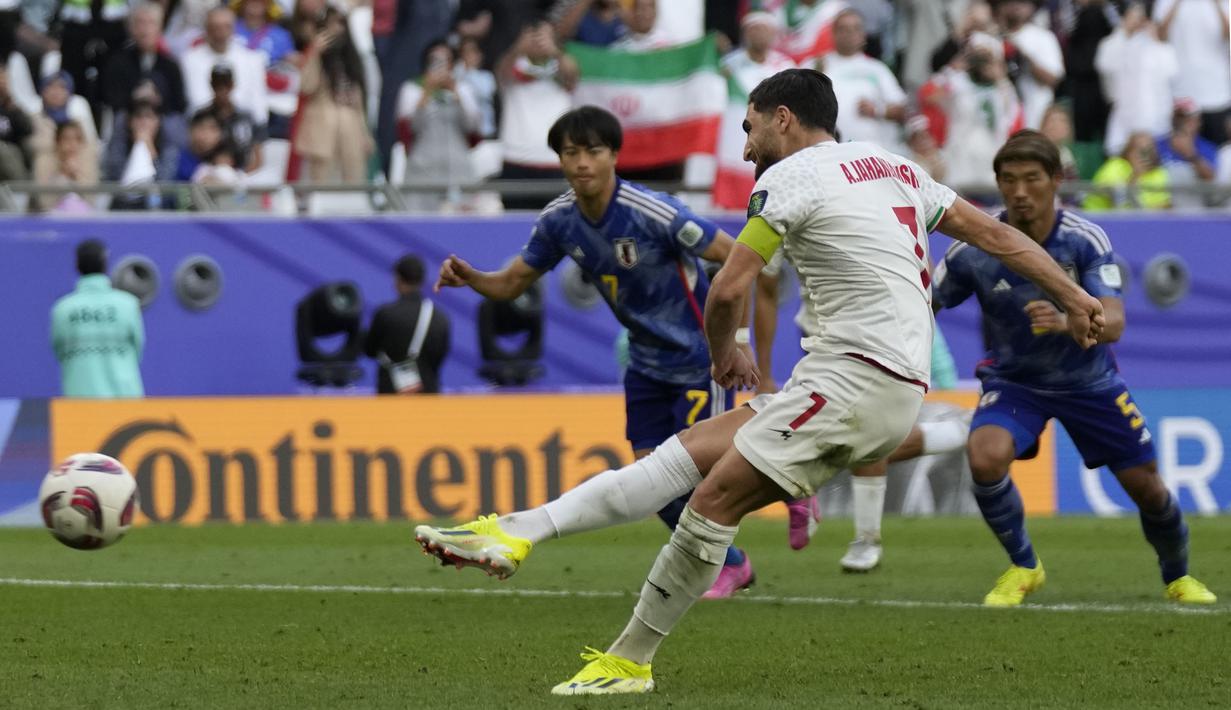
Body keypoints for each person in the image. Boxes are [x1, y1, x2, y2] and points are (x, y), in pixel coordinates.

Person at [415, 68, 1107, 694]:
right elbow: (1000, 237)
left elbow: (728, 288)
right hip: (863, 378)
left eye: (747, 128)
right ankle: (515, 532)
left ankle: (628, 661)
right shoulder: (895, 166)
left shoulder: (788, 180)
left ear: (782, 118)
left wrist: (726, 351)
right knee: (681, 458)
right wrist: (1075, 297)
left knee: (710, 502)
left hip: (856, 381)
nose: (744, 149)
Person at [431, 105, 757, 598]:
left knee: (706, 478)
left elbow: (735, 256)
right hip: (644, 363)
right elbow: (513, 282)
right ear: (559, 160)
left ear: (614, 157)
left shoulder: (655, 212)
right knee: (655, 485)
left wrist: (736, 341)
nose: (582, 162)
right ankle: (732, 564)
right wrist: (472, 277)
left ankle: (767, 520)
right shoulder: (561, 221)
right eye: (571, 152)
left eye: (593, 151)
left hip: (698, 360)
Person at [935, 128, 1215, 608]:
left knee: (1147, 489)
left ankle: (1178, 576)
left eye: (1031, 179)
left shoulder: (1083, 240)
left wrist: (1068, 322)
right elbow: (925, 302)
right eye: (1008, 180)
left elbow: (1116, 322)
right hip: (1015, 382)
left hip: (1089, 382)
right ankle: (1024, 566)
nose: (1020, 191)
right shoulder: (973, 249)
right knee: (984, 457)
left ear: (1056, 181)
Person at [754, 246, 971, 567]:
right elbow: (764, 284)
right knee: (848, 433)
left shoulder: (892, 198)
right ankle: (956, 433)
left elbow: (924, 265)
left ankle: (863, 536)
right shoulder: (787, 201)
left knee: (864, 430)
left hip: (878, 338)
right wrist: (763, 371)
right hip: (819, 334)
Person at [51, 239, 145, 398]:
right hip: (126, 401)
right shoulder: (128, 305)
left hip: (79, 401)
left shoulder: (62, 309)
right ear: (105, 265)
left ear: (77, 265)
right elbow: (137, 349)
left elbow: (59, 352)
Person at [396, 39, 480, 211]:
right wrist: (427, 92)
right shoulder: (412, 89)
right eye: (435, 60)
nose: (441, 66)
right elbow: (410, 129)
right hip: (422, 168)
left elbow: (472, 127)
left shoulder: (464, 89)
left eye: (446, 60)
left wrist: (455, 93)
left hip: (458, 167)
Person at [294, 6, 373, 183]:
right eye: (330, 25)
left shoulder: (352, 59)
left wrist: (365, 133)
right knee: (320, 183)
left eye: (340, 24)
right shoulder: (315, 56)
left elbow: (359, 100)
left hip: (351, 127)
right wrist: (314, 52)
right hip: (323, 128)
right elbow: (307, 87)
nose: (336, 30)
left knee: (354, 181)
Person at [817, 9, 907, 150]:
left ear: (864, 35)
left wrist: (878, 110)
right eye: (843, 29)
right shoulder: (817, 64)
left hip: (871, 154)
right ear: (833, 33)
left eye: (856, 28)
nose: (850, 34)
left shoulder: (877, 69)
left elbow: (902, 111)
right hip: (829, 151)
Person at [364, 254, 451, 394]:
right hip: (428, 394)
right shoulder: (440, 318)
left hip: (391, 394)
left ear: (398, 279)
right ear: (422, 280)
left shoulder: (385, 314)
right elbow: (440, 356)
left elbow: (369, 350)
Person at [180, 6, 269, 124]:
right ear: (206, 29)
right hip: (203, 126)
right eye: (215, 27)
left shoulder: (252, 60)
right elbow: (196, 101)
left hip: (243, 127)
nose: (220, 32)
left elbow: (259, 108)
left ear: (234, 29)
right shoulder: (189, 60)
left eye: (226, 26)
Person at [994, 0, 1063, 130]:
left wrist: (1023, 57)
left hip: (1035, 117)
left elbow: (1053, 79)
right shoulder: (993, 37)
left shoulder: (1043, 37)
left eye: (1023, 2)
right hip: (1001, 119)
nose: (1016, 6)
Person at [1083, 131, 1170, 211]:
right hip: (1097, 220)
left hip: (1138, 223)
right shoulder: (1115, 165)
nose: (1144, 156)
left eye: (1149, 150)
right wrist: (1135, 176)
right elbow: (1117, 202)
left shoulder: (1158, 173)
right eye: (1139, 151)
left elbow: (1162, 208)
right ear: (1128, 151)